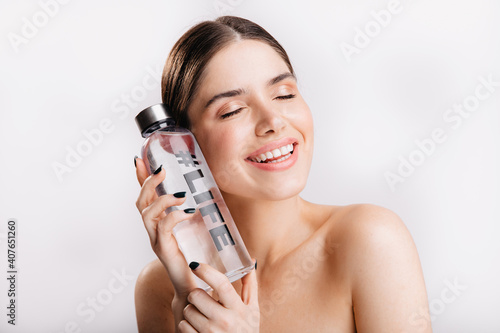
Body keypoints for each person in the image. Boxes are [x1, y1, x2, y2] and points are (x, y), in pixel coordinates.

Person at [133, 15, 432, 333]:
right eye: (232, 110)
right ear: (181, 145)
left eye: (285, 94)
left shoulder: (369, 239)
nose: (273, 120)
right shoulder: (161, 288)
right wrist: (190, 294)